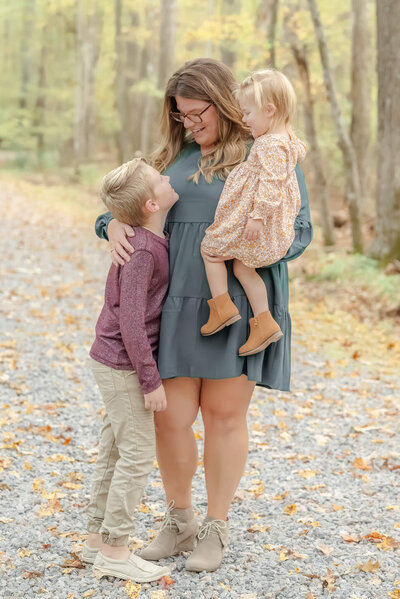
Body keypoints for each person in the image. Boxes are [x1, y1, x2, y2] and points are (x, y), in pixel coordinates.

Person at [95, 58, 312, 573]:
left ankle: (216, 526)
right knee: (169, 419)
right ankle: (179, 519)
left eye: (198, 113)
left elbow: (298, 230)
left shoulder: (267, 154)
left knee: (223, 416)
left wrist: (256, 250)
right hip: (171, 306)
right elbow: (127, 201)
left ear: (226, 103)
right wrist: (110, 226)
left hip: (234, 303)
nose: (189, 123)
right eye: (181, 115)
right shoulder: (171, 157)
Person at [82, 158, 178, 582]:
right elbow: (131, 322)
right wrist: (150, 379)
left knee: (115, 448)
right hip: (123, 364)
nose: (168, 175)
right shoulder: (141, 251)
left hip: (114, 360)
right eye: (161, 177)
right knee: (136, 455)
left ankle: (96, 542)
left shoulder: (148, 239)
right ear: (152, 203)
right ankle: (117, 548)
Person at [200, 69, 306, 359]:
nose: (244, 120)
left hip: (257, 220)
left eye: (248, 113)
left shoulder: (271, 144)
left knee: (210, 250)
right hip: (263, 220)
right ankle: (264, 323)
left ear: (269, 111)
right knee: (243, 268)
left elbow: (271, 183)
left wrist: (257, 216)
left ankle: (221, 307)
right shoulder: (285, 140)